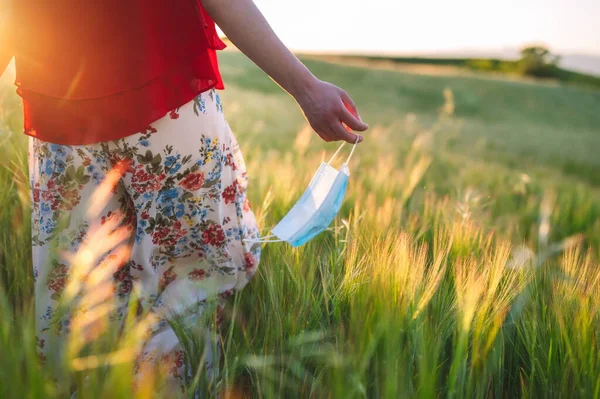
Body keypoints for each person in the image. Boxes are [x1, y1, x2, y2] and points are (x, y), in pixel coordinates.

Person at [0, 0, 368, 393]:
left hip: (58, 114)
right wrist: (306, 87)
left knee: (76, 297)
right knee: (192, 281)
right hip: (162, 95)